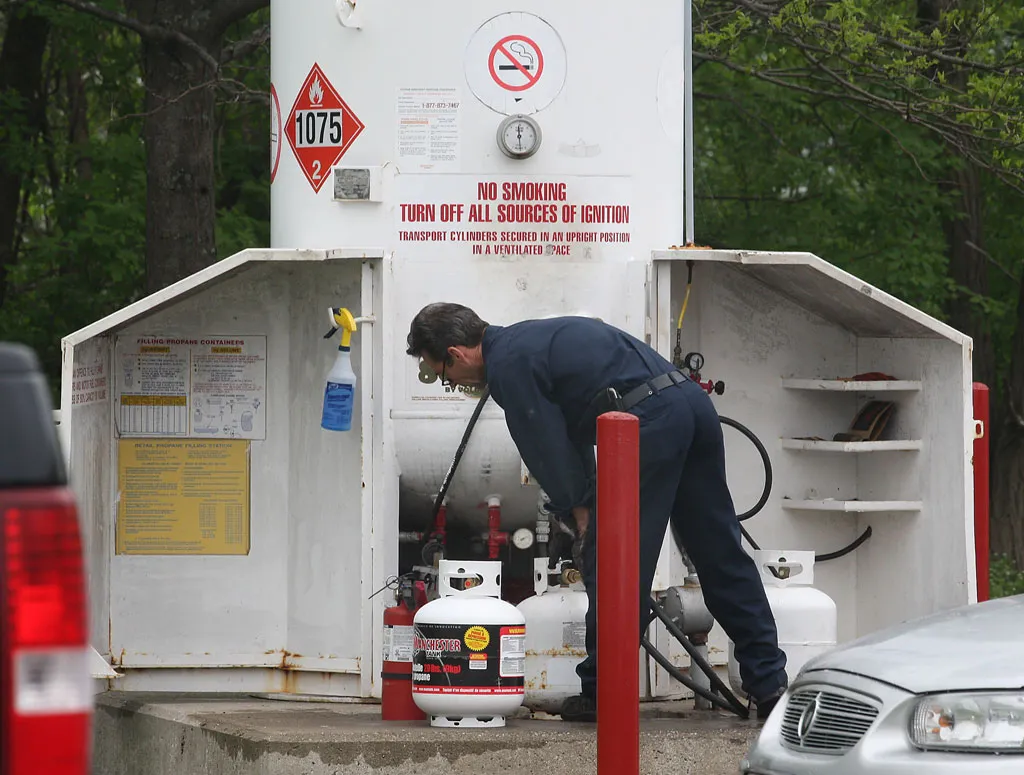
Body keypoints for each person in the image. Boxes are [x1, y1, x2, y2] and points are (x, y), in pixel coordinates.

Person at [406, 302, 788, 721]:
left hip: (649, 423)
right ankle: (770, 687)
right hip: (691, 407)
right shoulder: (531, 338)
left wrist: (581, 511)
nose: (449, 381)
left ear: (457, 354)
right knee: (720, 553)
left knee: (614, 561)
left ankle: (601, 691)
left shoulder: (509, 367)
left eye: (442, 373)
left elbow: (546, 446)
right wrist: (584, 497)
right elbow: (573, 436)